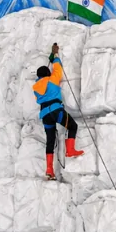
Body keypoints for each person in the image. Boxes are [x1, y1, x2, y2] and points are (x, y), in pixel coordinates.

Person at [33, 43, 84, 180]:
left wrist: (49, 59)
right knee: (72, 126)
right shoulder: (52, 80)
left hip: (45, 115)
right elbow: (58, 68)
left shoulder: (36, 88)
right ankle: (70, 150)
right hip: (56, 110)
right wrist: (55, 55)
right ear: (47, 74)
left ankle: (49, 168)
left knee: (50, 141)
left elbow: (43, 79)